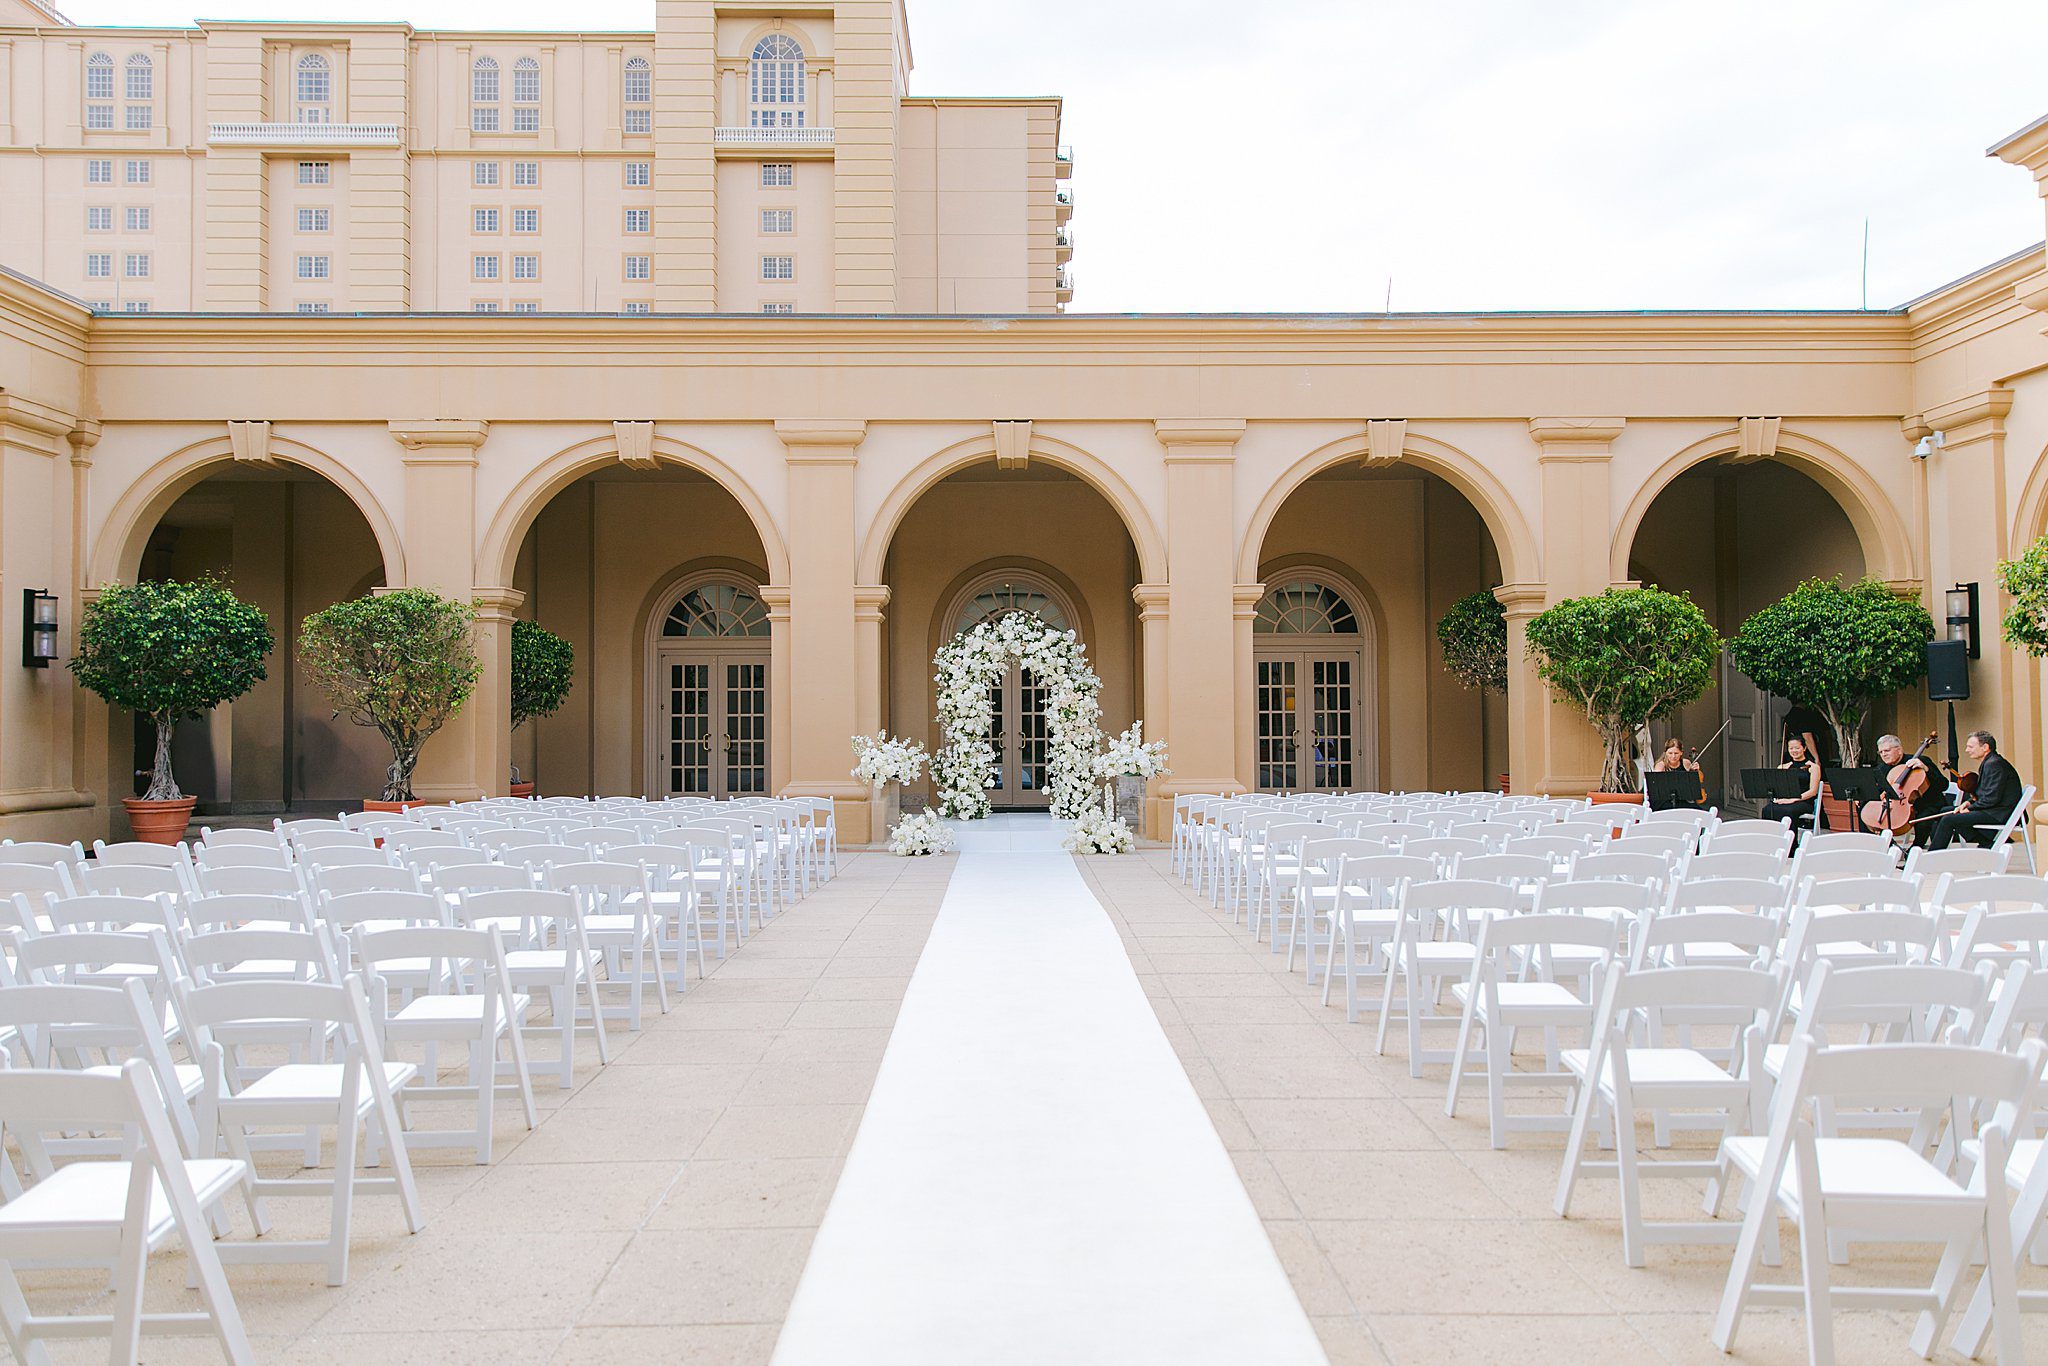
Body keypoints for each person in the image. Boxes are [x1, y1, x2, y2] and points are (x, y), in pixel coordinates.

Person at [1926, 730, 2025, 851]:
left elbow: (1991, 798)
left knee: (1949, 819)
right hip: (1994, 809)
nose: (1967, 750)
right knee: (1945, 811)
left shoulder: (1994, 764)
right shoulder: (1990, 762)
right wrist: (1968, 803)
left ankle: (1931, 856)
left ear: (1985, 747)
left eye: (1971, 747)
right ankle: (1986, 842)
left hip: (1999, 813)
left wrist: (1970, 808)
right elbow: (1985, 793)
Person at [1864, 732, 1947, 844]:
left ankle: (1916, 848)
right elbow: (1878, 791)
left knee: (1922, 821)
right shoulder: (1881, 768)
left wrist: (1926, 769)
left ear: (1899, 750)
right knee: (1868, 812)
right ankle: (1884, 845)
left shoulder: (1921, 761)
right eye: (1881, 752)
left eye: (1887, 751)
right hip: (1897, 806)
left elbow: (1943, 785)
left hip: (1927, 803)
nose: (1883, 754)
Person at [1760, 735, 1821, 829]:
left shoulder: (1813, 767)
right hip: (1786, 800)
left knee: (1788, 811)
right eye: (1791, 748)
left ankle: (1790, 838)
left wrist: (1793, 799)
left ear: (1804, 748)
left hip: (1803, 801)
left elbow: (1813, 791)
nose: (1794, 751)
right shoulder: (1783, 767)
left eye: (1797, 748)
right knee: (1767, 809)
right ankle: (1772, 836)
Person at [1651, 738, 1707, 810]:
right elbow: (1656, 786)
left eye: (1676, 753)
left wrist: (1695, 771)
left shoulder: (1686, 763)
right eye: (1670, 753)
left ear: (1681, 753)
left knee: (1700, 812)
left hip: (1682, 799)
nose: (1673, 756)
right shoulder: (1661, 765)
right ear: (1665, 752)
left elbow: (1693, 783)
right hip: (1664, 800)